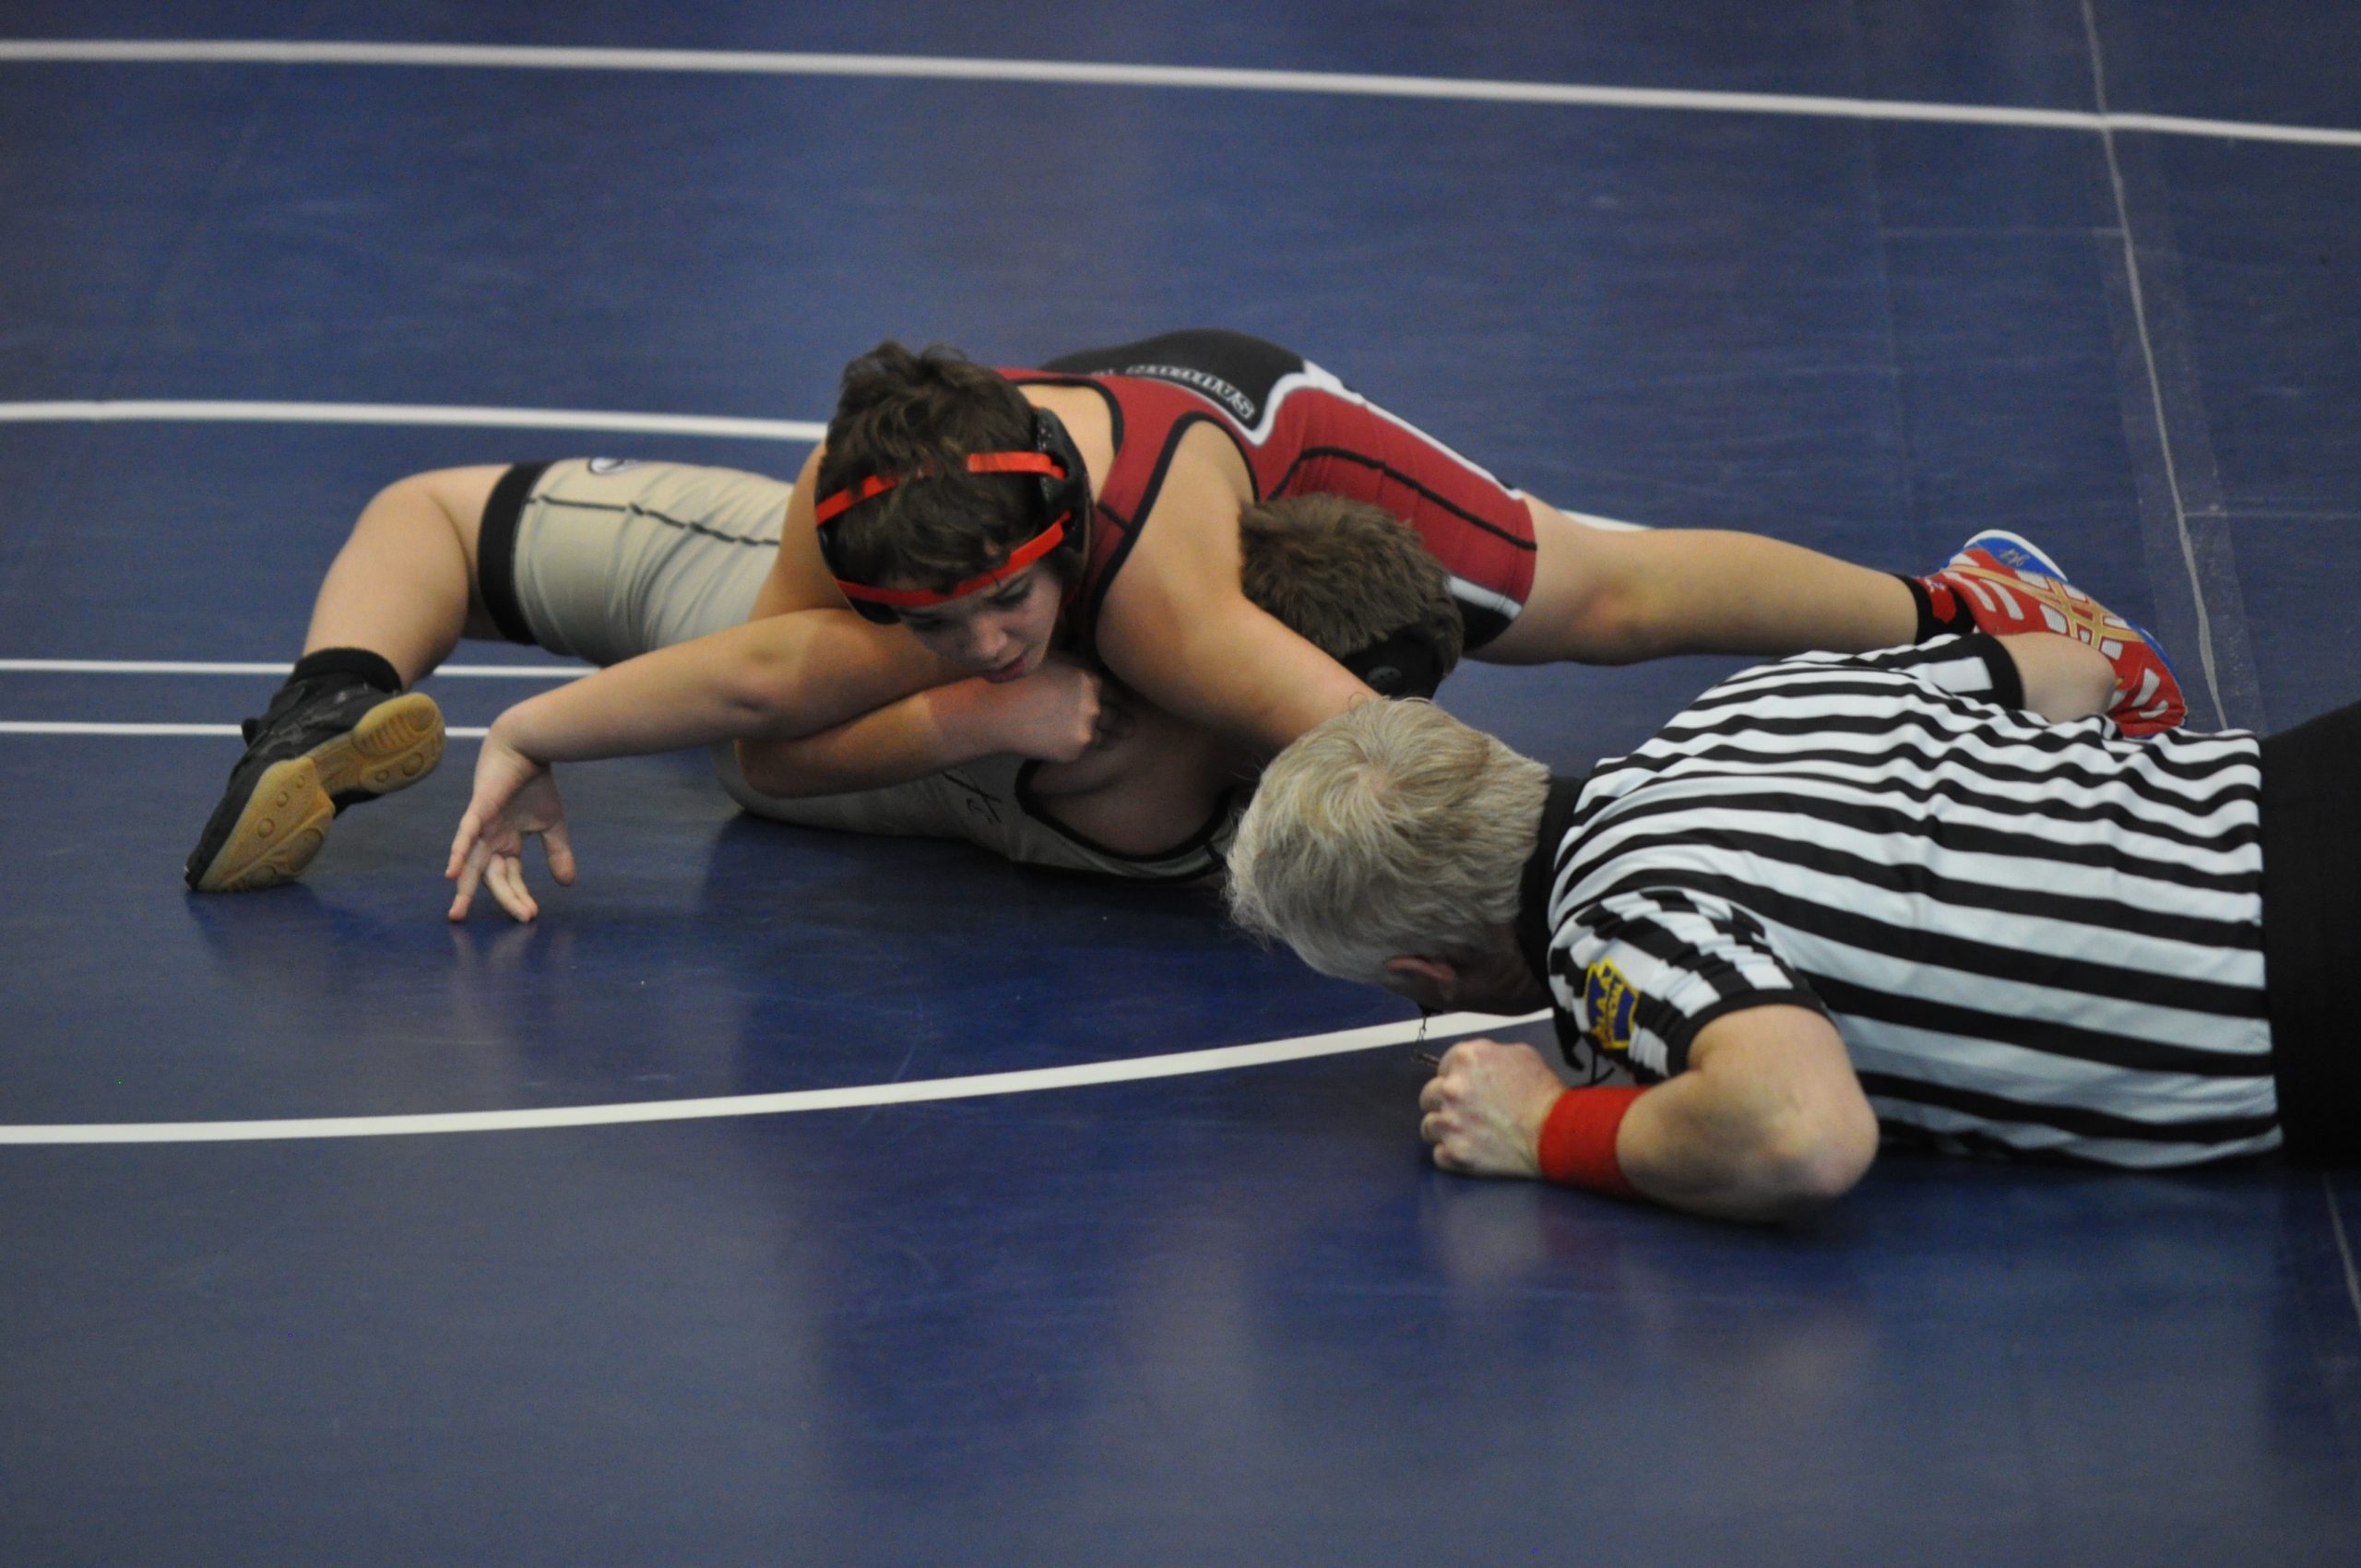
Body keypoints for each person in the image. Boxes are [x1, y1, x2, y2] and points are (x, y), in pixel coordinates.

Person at [185, 329, 2185, 909]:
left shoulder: (1162, 587)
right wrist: (521, 729)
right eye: (931, 618)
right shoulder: (860, 537)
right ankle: (331, 695)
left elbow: (1473, 804)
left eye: (998, 612)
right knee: (462, 533)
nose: (975, 638)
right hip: (1015, 723)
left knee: (1575, 590)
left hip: (1252, 440)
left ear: (1056, 543)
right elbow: (776, 695)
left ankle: (1954, 607)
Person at [1225, 559, 2353, 1223]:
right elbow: (2074, 669)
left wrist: (1543, 1125)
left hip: (2310, 989)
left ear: (1435, 974)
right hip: (2307, 777)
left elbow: (1804, 1135)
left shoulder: (1617, 926)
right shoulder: (1744, 707)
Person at [183, 464, 1463, 917]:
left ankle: (331, 696)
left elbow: (763, 713)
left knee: (438, 518)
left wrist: (977, 705)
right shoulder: (1231, 830)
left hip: (782, 670)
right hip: (827, 790)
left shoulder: (1076, 641)